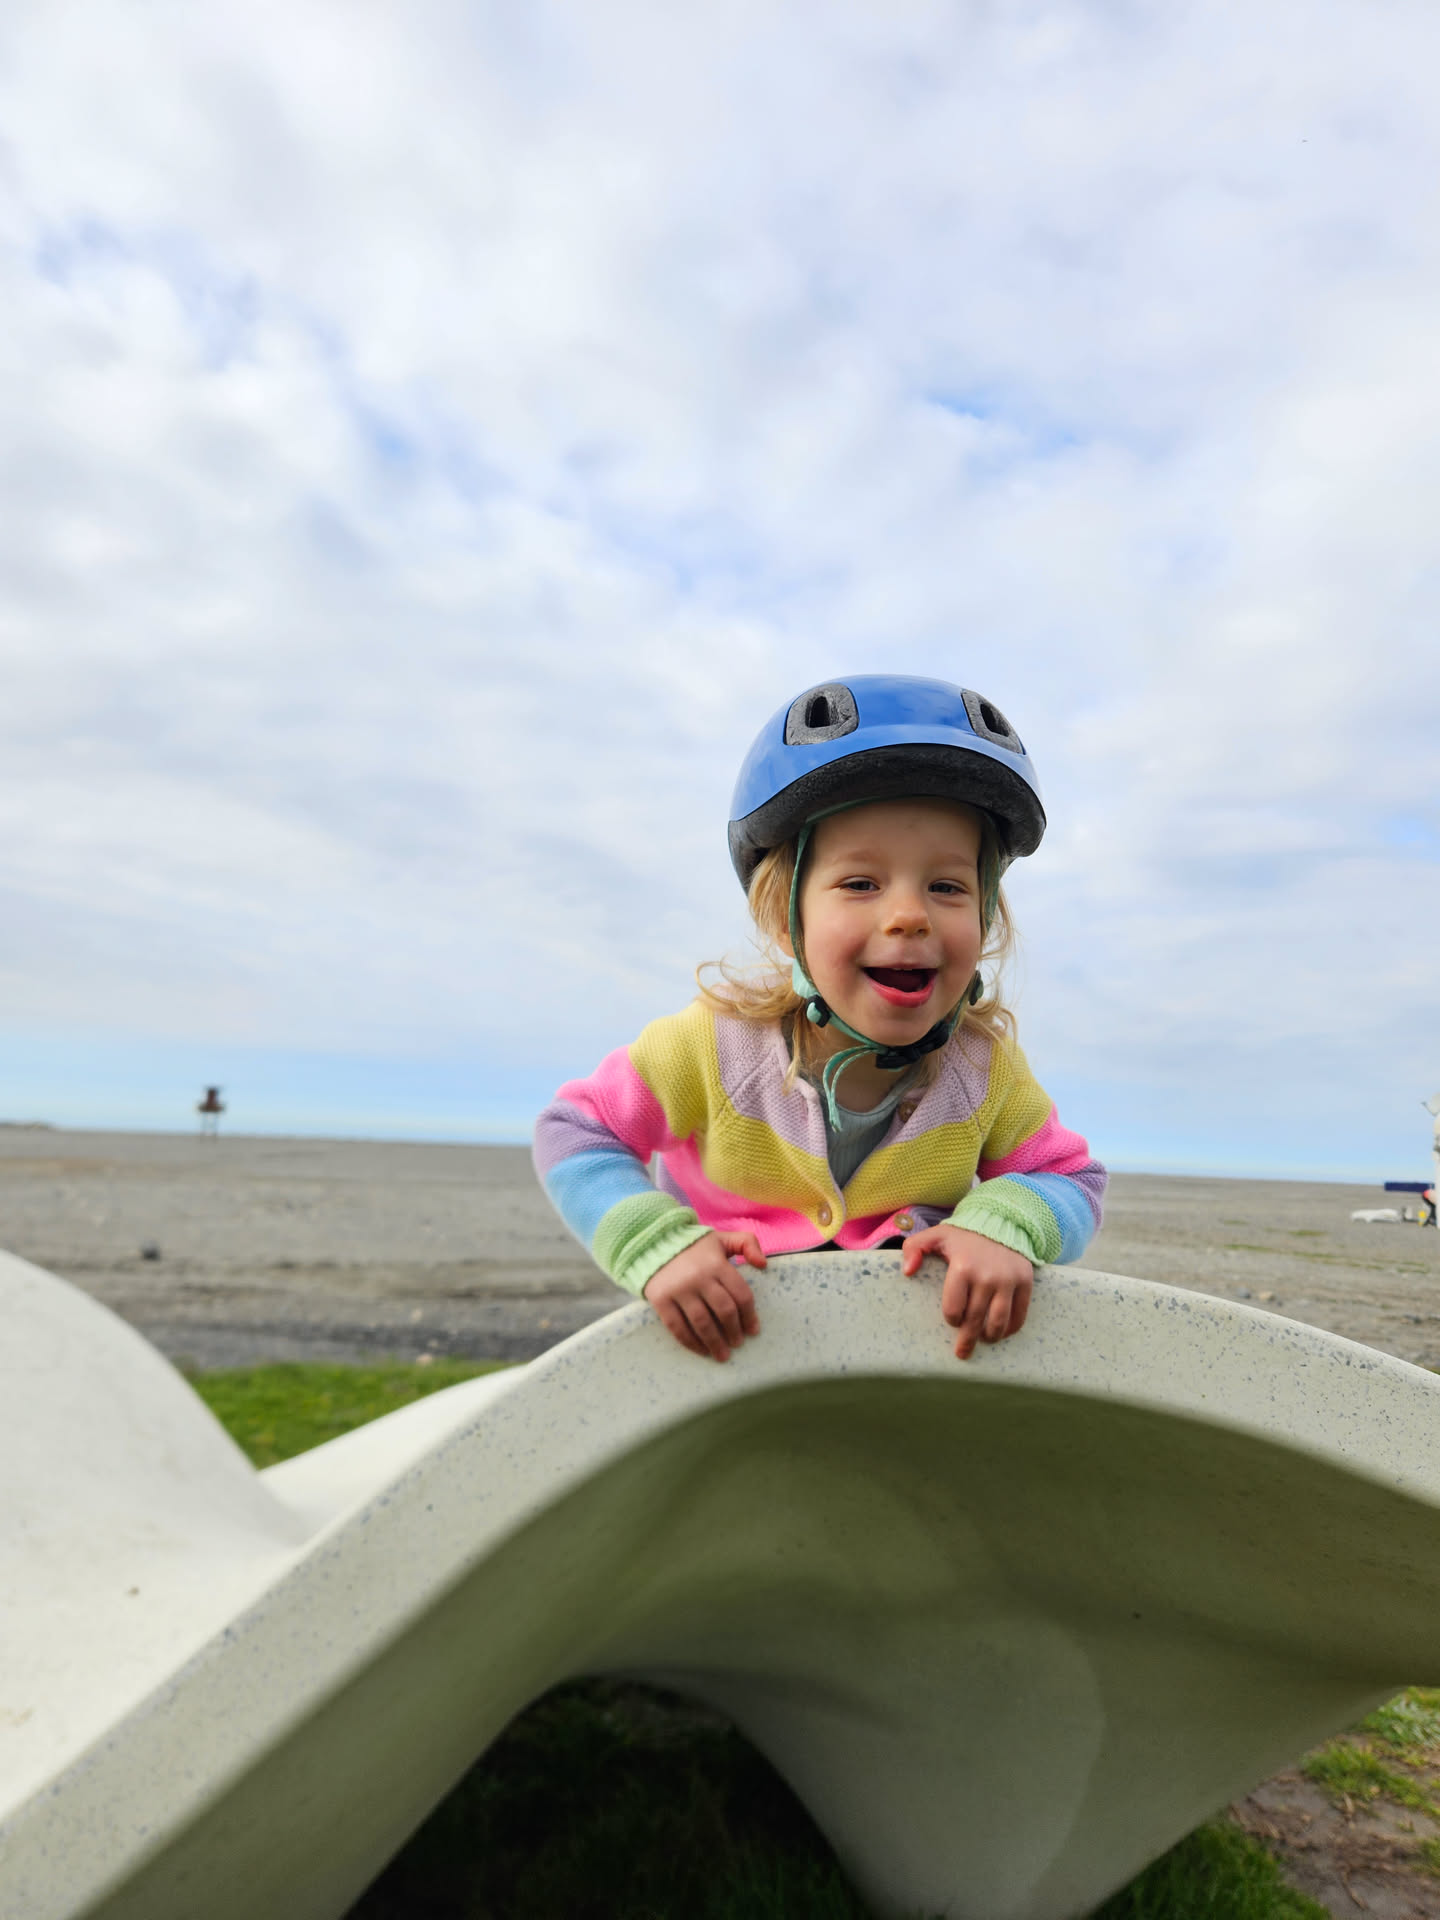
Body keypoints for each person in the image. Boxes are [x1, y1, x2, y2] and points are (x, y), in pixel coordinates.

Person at [534, 674, 1106, 1363]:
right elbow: (577, 1130)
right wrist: (655, 1244)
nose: (909, 915)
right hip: (732, 1351)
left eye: (947, 886)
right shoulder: (715, 1047)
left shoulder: (983, 1074)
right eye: (860, 883)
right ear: (785, 917)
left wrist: (1003, 1224)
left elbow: (1072, 1179)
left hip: (905, 1357)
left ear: (984, 918)